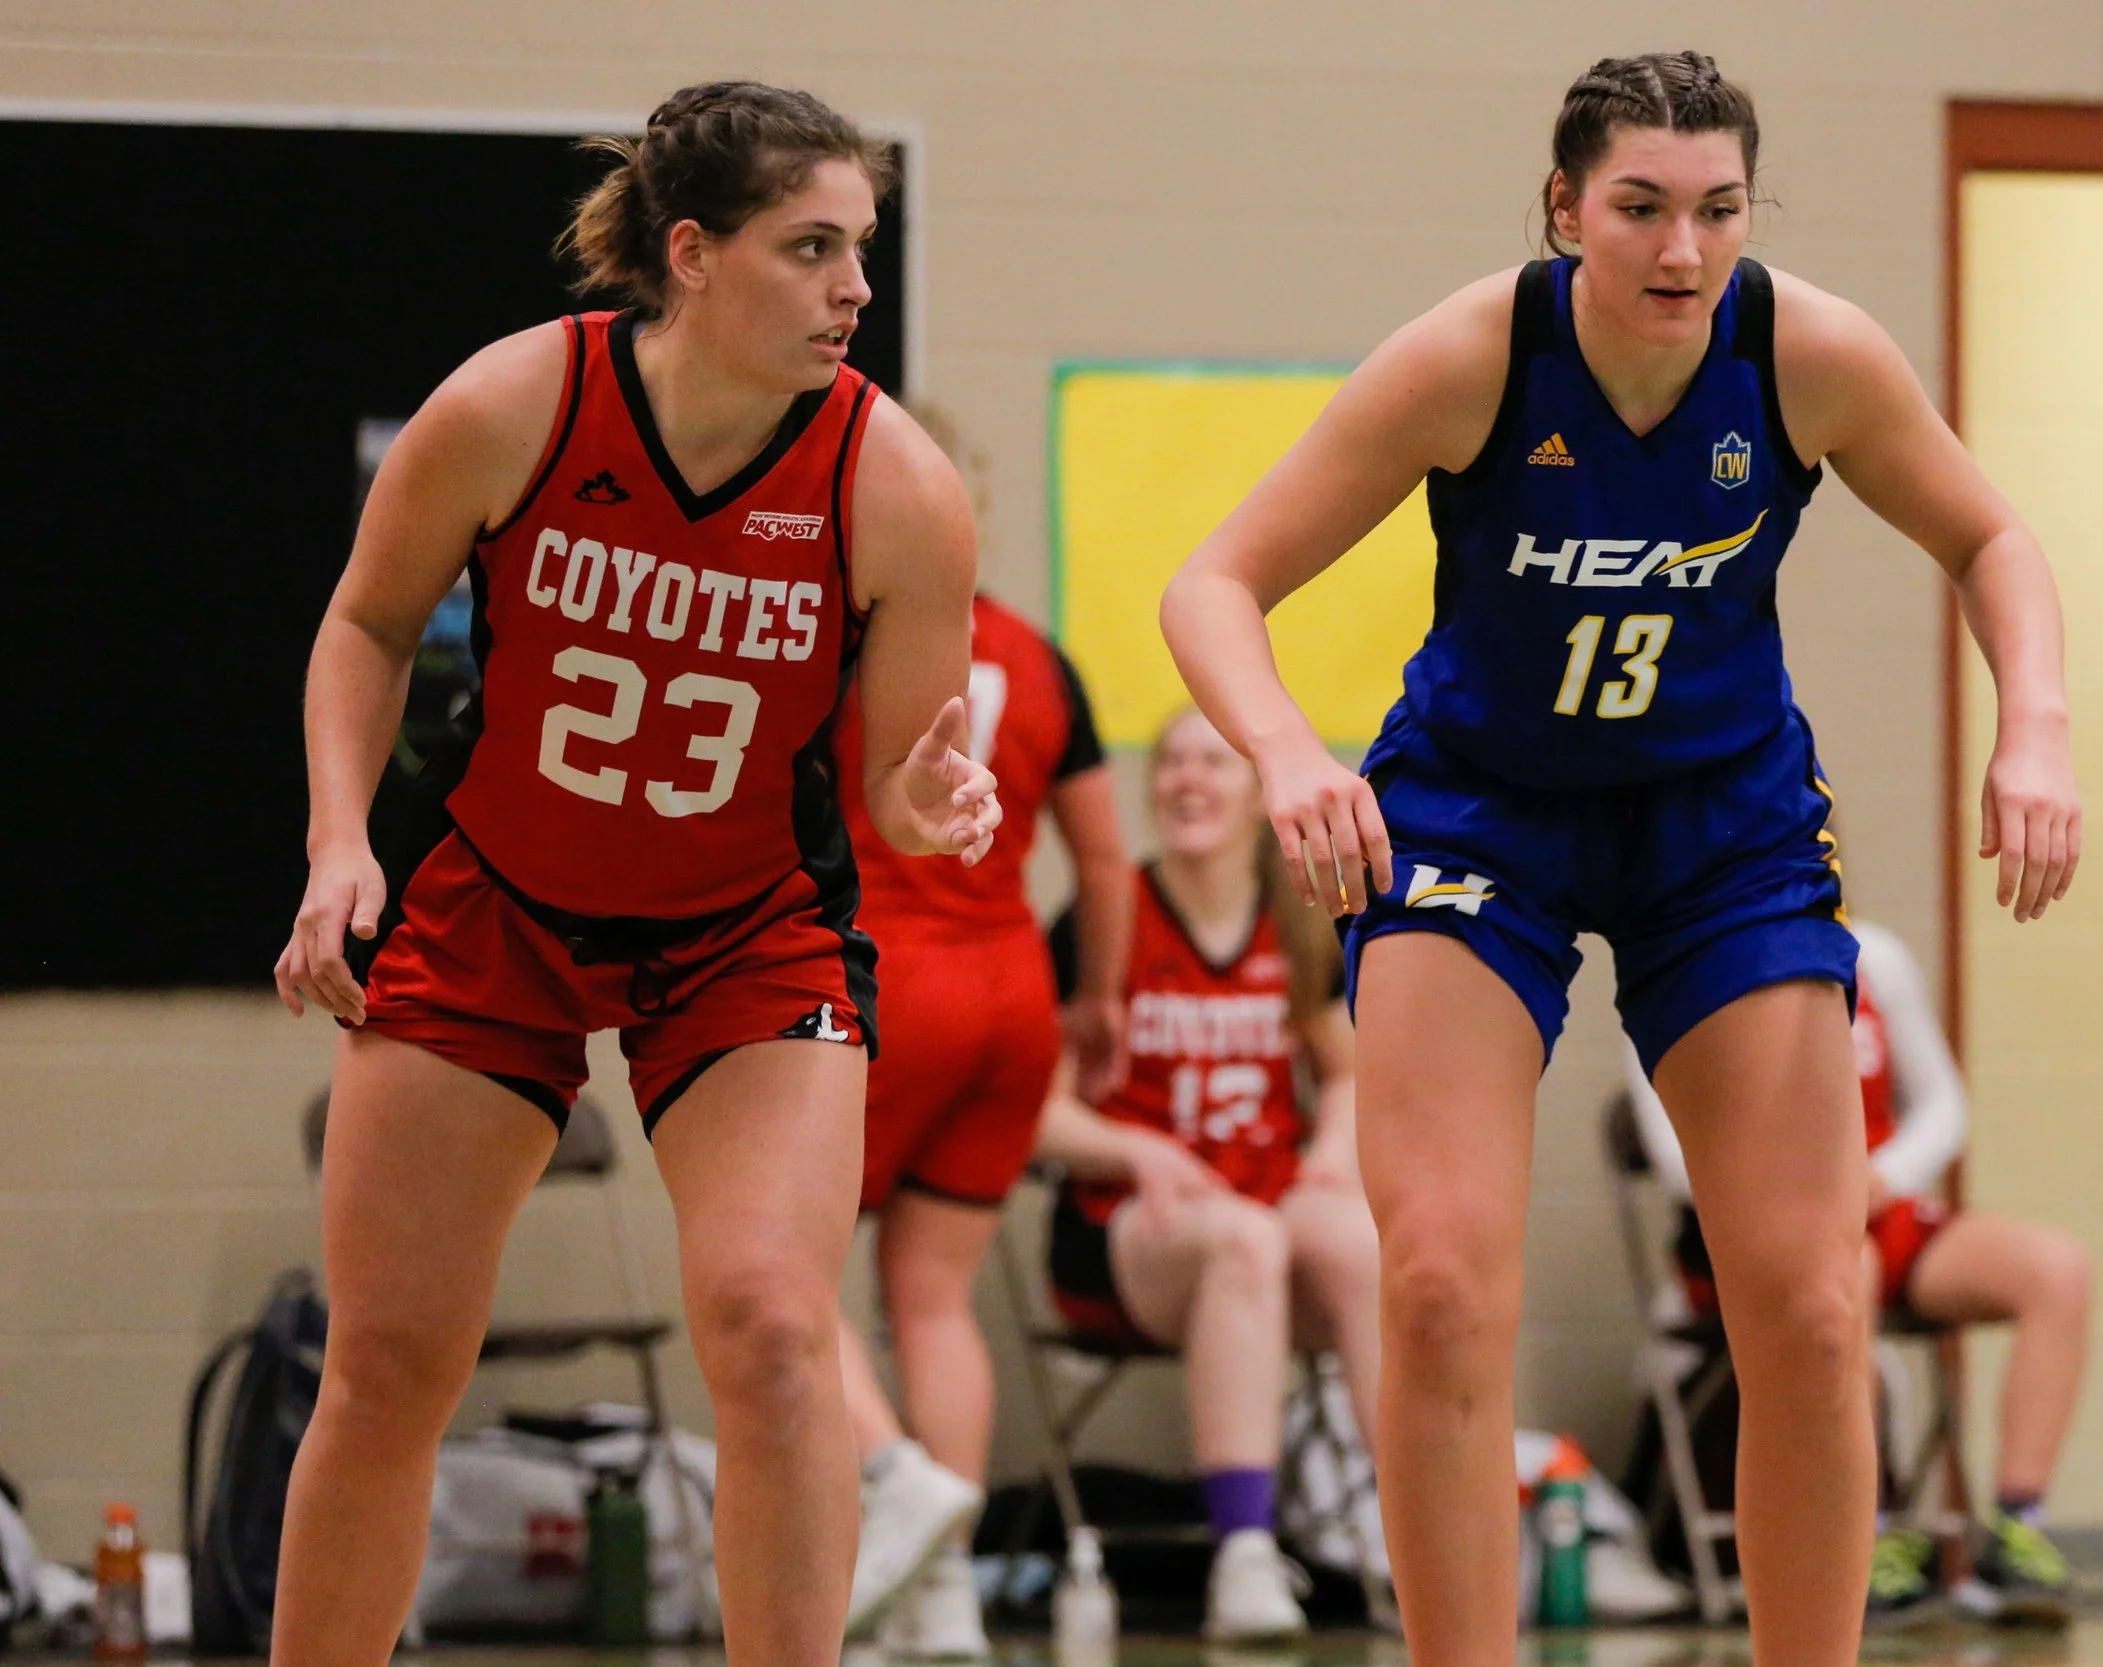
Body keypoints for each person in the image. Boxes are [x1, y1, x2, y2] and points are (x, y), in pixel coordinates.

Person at [1160, 51, 2079, 1667]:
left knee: (1811, 1306)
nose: (1681, 249)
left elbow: (1988, 533)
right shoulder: (1474, 356)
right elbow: (1214, 580)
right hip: (1480, 817)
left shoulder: (1807, 353)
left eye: (1718, 209)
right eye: (1642, 207)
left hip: (1719, 825)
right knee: (1439, 1286)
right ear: (1565, 208)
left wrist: (2037, 726)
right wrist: (1287, 751)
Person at [267, 82, 1000, 1666]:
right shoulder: (517, 402)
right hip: (502, 897)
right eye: (811, 247)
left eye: (862, 248)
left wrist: (932, 801)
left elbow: (894, 781)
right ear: (693, 253)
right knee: (387, 1361)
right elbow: (367, 624)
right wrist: (339, 842)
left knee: (776, 1334)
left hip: (747, 932)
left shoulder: (894, 486)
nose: (854, 287)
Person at [1623, 920, 2094, 1626]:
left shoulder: (1876, 957)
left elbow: (1943, 1104)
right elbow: (1671, 1152)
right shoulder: (1675, 950)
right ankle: (1861, 1538)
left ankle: (2016, 1528)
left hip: (1877, 1198)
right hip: (1764, 1218)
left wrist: (1888, 1175)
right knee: (1849, 1271)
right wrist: (1814, 1194)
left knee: (2058, 1269)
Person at [1036, 708, 1380, 1642]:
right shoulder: (1103, 920)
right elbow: (1035, 1111)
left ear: (1257, 793)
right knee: (1245, 1241)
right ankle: (1244, 1553)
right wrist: (1136, 1151)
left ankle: (1412, 1517)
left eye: (1212, 764)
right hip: (1129, 1222)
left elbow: (1349, 1073)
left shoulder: (1300, 917)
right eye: (1172, 763)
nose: (1188, 780)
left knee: (1357, 1240)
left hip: (1263, 1198)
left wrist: (1329, 1157)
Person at [834, 587, 1132, 1657]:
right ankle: (946, 1592)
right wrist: (1097, 999)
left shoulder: (850, 625)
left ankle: (893, 1476)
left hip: (886, 973)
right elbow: (1104, 858)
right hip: (1011, 989)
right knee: (933, 1295)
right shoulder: (1043, 657)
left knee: (773, 1267)